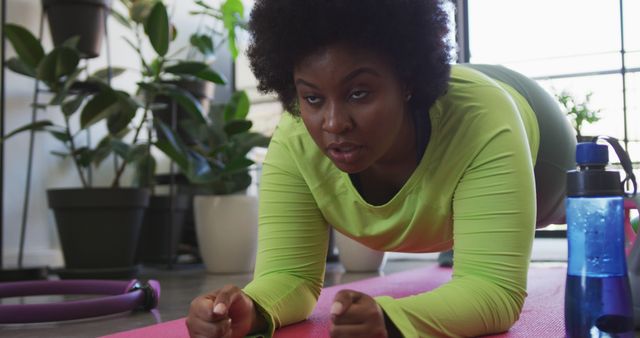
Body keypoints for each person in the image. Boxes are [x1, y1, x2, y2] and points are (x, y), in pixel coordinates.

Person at [186, 0, 576, 337]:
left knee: (576, 215)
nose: (334, 123)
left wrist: (394, 321)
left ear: (407, 81)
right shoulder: (296, 140)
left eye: (359, 93)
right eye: (313, 97)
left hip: (543, 150)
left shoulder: (482, 122)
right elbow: (291, 277)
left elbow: (493, 290)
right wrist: (250, 310)